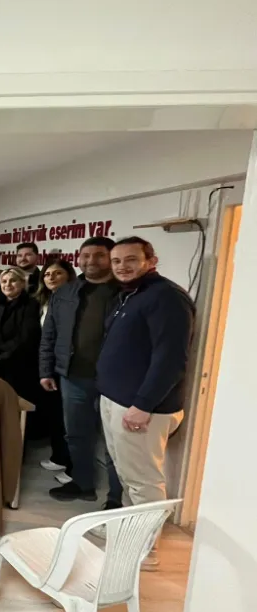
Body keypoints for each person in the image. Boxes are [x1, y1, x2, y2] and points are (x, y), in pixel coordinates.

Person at [96, 237, 194, 568]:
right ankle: (129, 534)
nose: (122, 266)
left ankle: (146, 552)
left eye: (131, 259)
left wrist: (143, 404)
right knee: (127, 476)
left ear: (150, 261)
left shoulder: (166, 297)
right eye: (116, 261)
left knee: (144, 481)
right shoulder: (131, 294)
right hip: (116, 399)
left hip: (140, 407)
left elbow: (171, 358)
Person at [40, 237, 123, 508]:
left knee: (114, 442)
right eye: (85, 256)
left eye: (98, 255)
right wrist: (46, 370)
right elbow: (49, 335)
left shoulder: (125, 292)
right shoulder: (65, 292)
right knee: (76, 434)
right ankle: (83, 483)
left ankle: (116, 498)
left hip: (114, 381)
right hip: (73, 376)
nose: (90, 261)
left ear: (110, 257)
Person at [29, 259, 78, 488]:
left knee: (69, 419)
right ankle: (59, 456)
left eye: (58, 273)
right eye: (47, 274)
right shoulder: (45, 300)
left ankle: (73, 466)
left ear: (69, 276)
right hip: (48, 365)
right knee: (55, 415)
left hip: (67, 367)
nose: (51, 277)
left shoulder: (74, 301)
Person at [0, 266, 42, 403]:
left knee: (11, 406)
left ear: (22, 283)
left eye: (13, 281)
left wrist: (2, 357)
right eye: (4, 281)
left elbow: (26, 337)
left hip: (16, 367)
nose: (8, 284)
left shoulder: (31, 305)